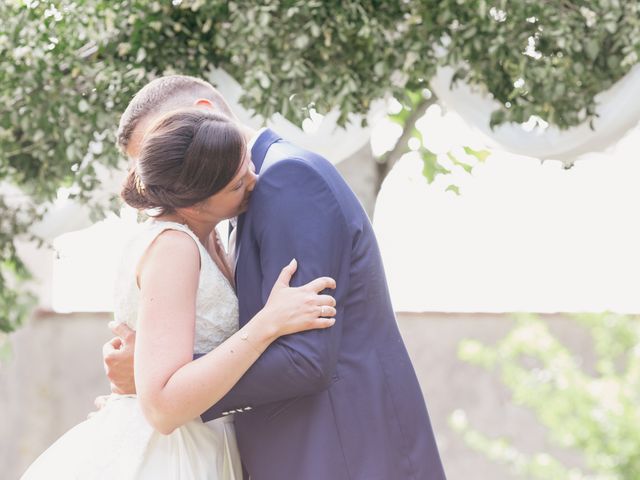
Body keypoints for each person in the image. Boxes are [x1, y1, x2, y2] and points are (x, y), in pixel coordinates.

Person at [105, 75, 447, 480]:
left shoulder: (285, 180)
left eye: (165, 144)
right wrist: (157, 381)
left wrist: (159, 386)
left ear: (204, 115)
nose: (158, 175)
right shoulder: (215, 218)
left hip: (343, 456)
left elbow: (305, 358)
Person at [21, 110, 337, 479]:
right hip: (169, 457)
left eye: (247, 166)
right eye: (236, 184)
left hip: (207, 443)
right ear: (193, 202)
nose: (254, 180)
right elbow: (164, 409)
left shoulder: (212, 237)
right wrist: (268, 324)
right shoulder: (174, 247)